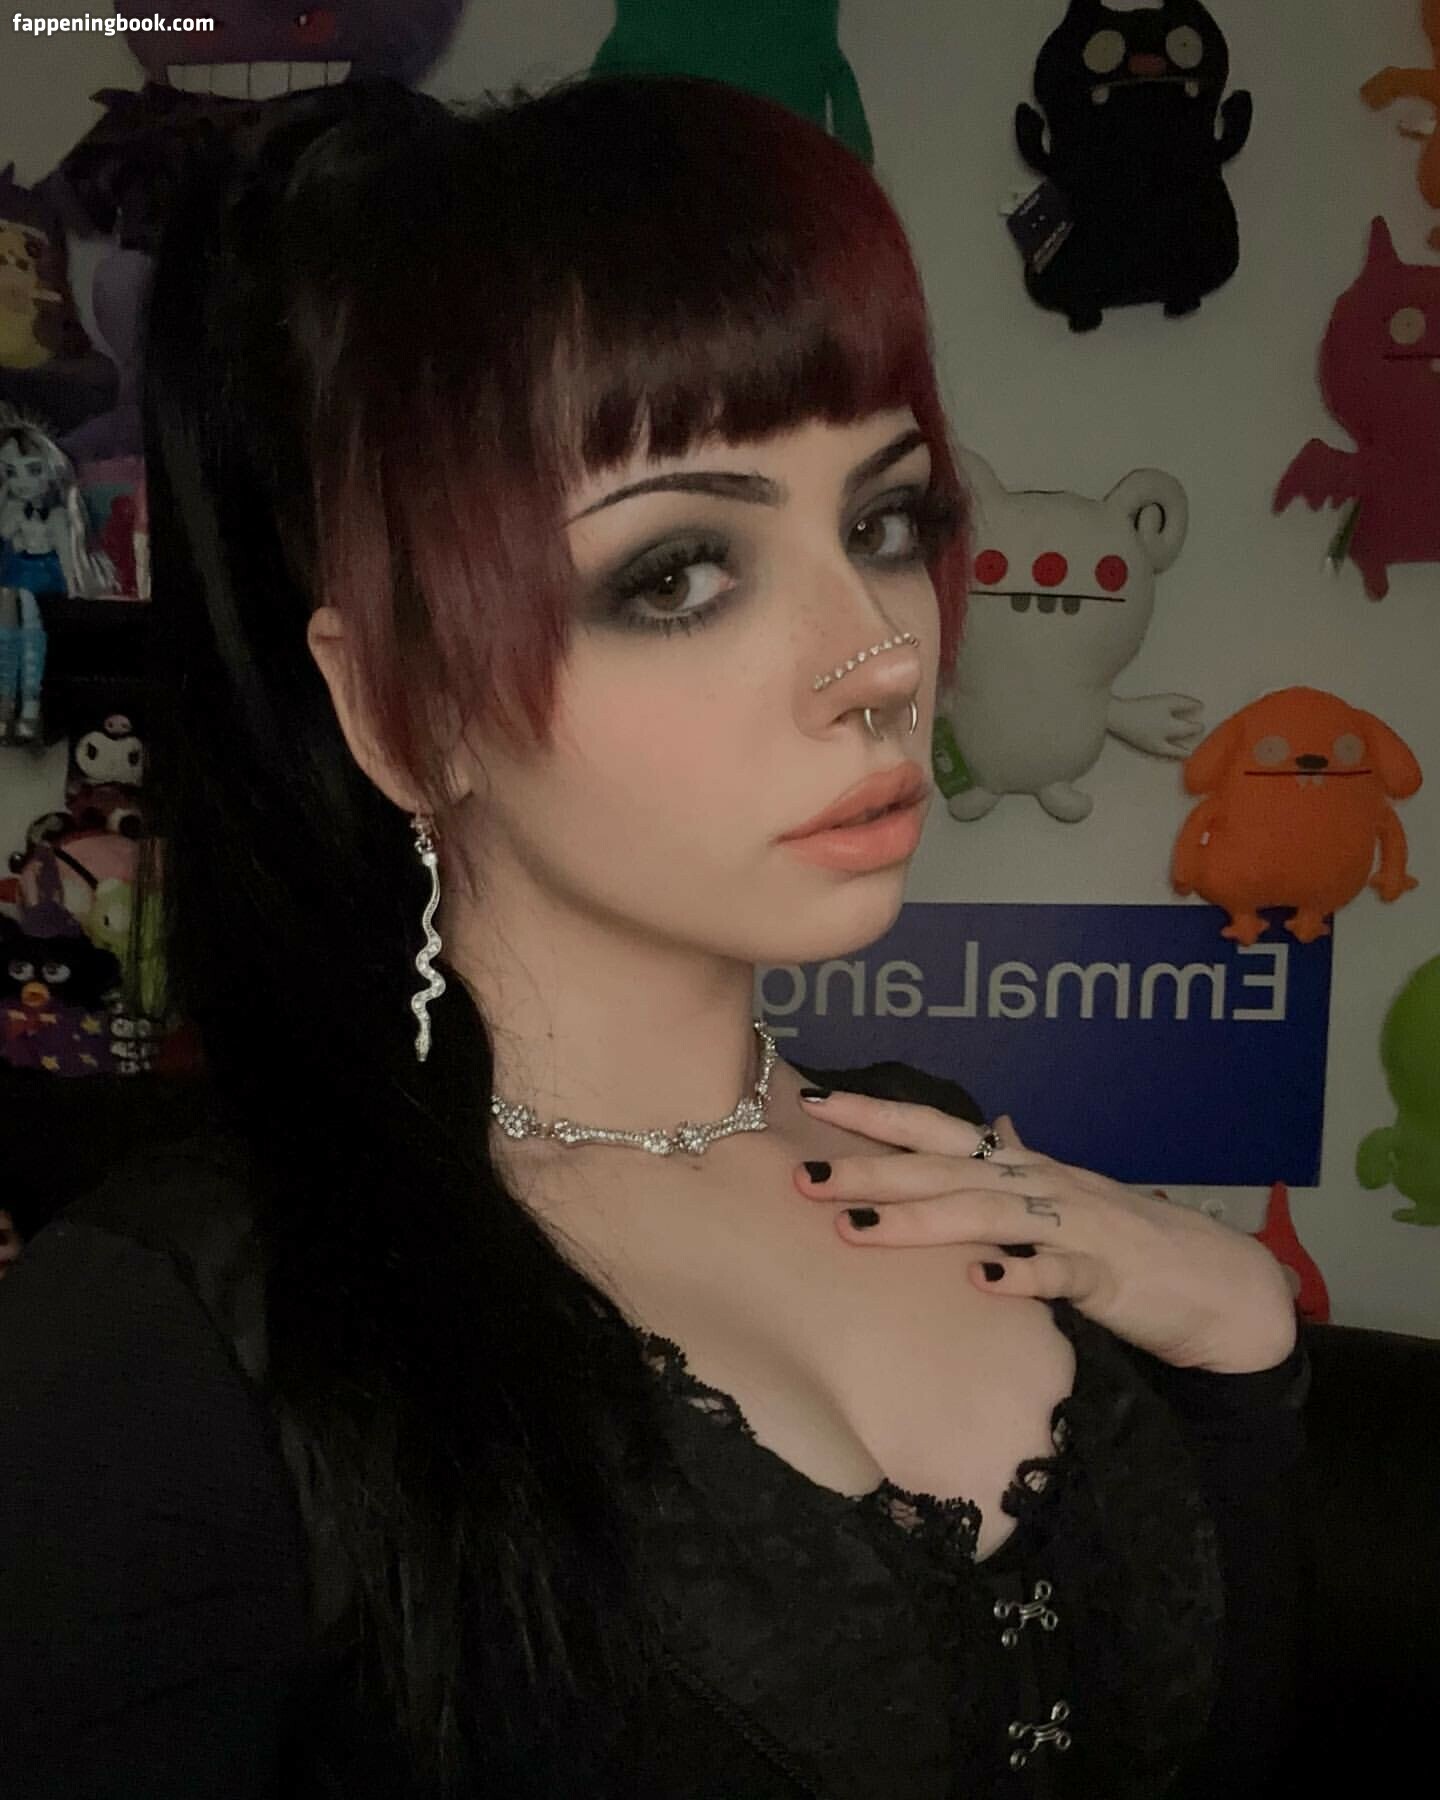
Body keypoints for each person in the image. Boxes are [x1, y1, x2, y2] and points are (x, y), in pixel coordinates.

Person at [0, 75, 1308, 1799]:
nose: (882, 663)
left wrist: (1243, 1365)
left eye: (886, 522)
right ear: (401, 706)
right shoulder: (186, 1335)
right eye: (679, 573)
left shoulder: (939, 1156)